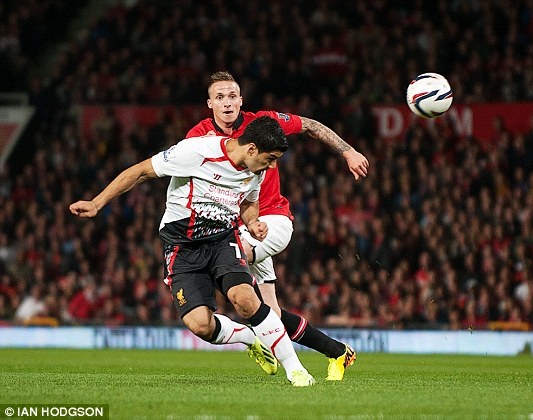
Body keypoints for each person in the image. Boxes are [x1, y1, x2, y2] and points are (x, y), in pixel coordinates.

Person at [70, 116, 315, 386]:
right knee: (200, 325)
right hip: (181, 245)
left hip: (222, 239)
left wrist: (252, 222)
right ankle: (248, 337)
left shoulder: (256, 169)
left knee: (245, 299)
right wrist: (97, 203)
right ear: (251, 149)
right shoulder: (196, 151)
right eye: (270, 159)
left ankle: (296, 370)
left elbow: (248, 202)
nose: (272, 166)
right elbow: (140, 171)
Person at [186, 71, 369, 380]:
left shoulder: (263, 123)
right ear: (210, 104)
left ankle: (264, 349)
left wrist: (347, 151)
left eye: (232, 96)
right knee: (271, 315)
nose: (227, 103)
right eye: (220, 97)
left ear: (241, 100)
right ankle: (339, 352)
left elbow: (310, 126)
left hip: (271, 221)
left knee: (224, 263)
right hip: (235, 226)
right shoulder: (198, 135)